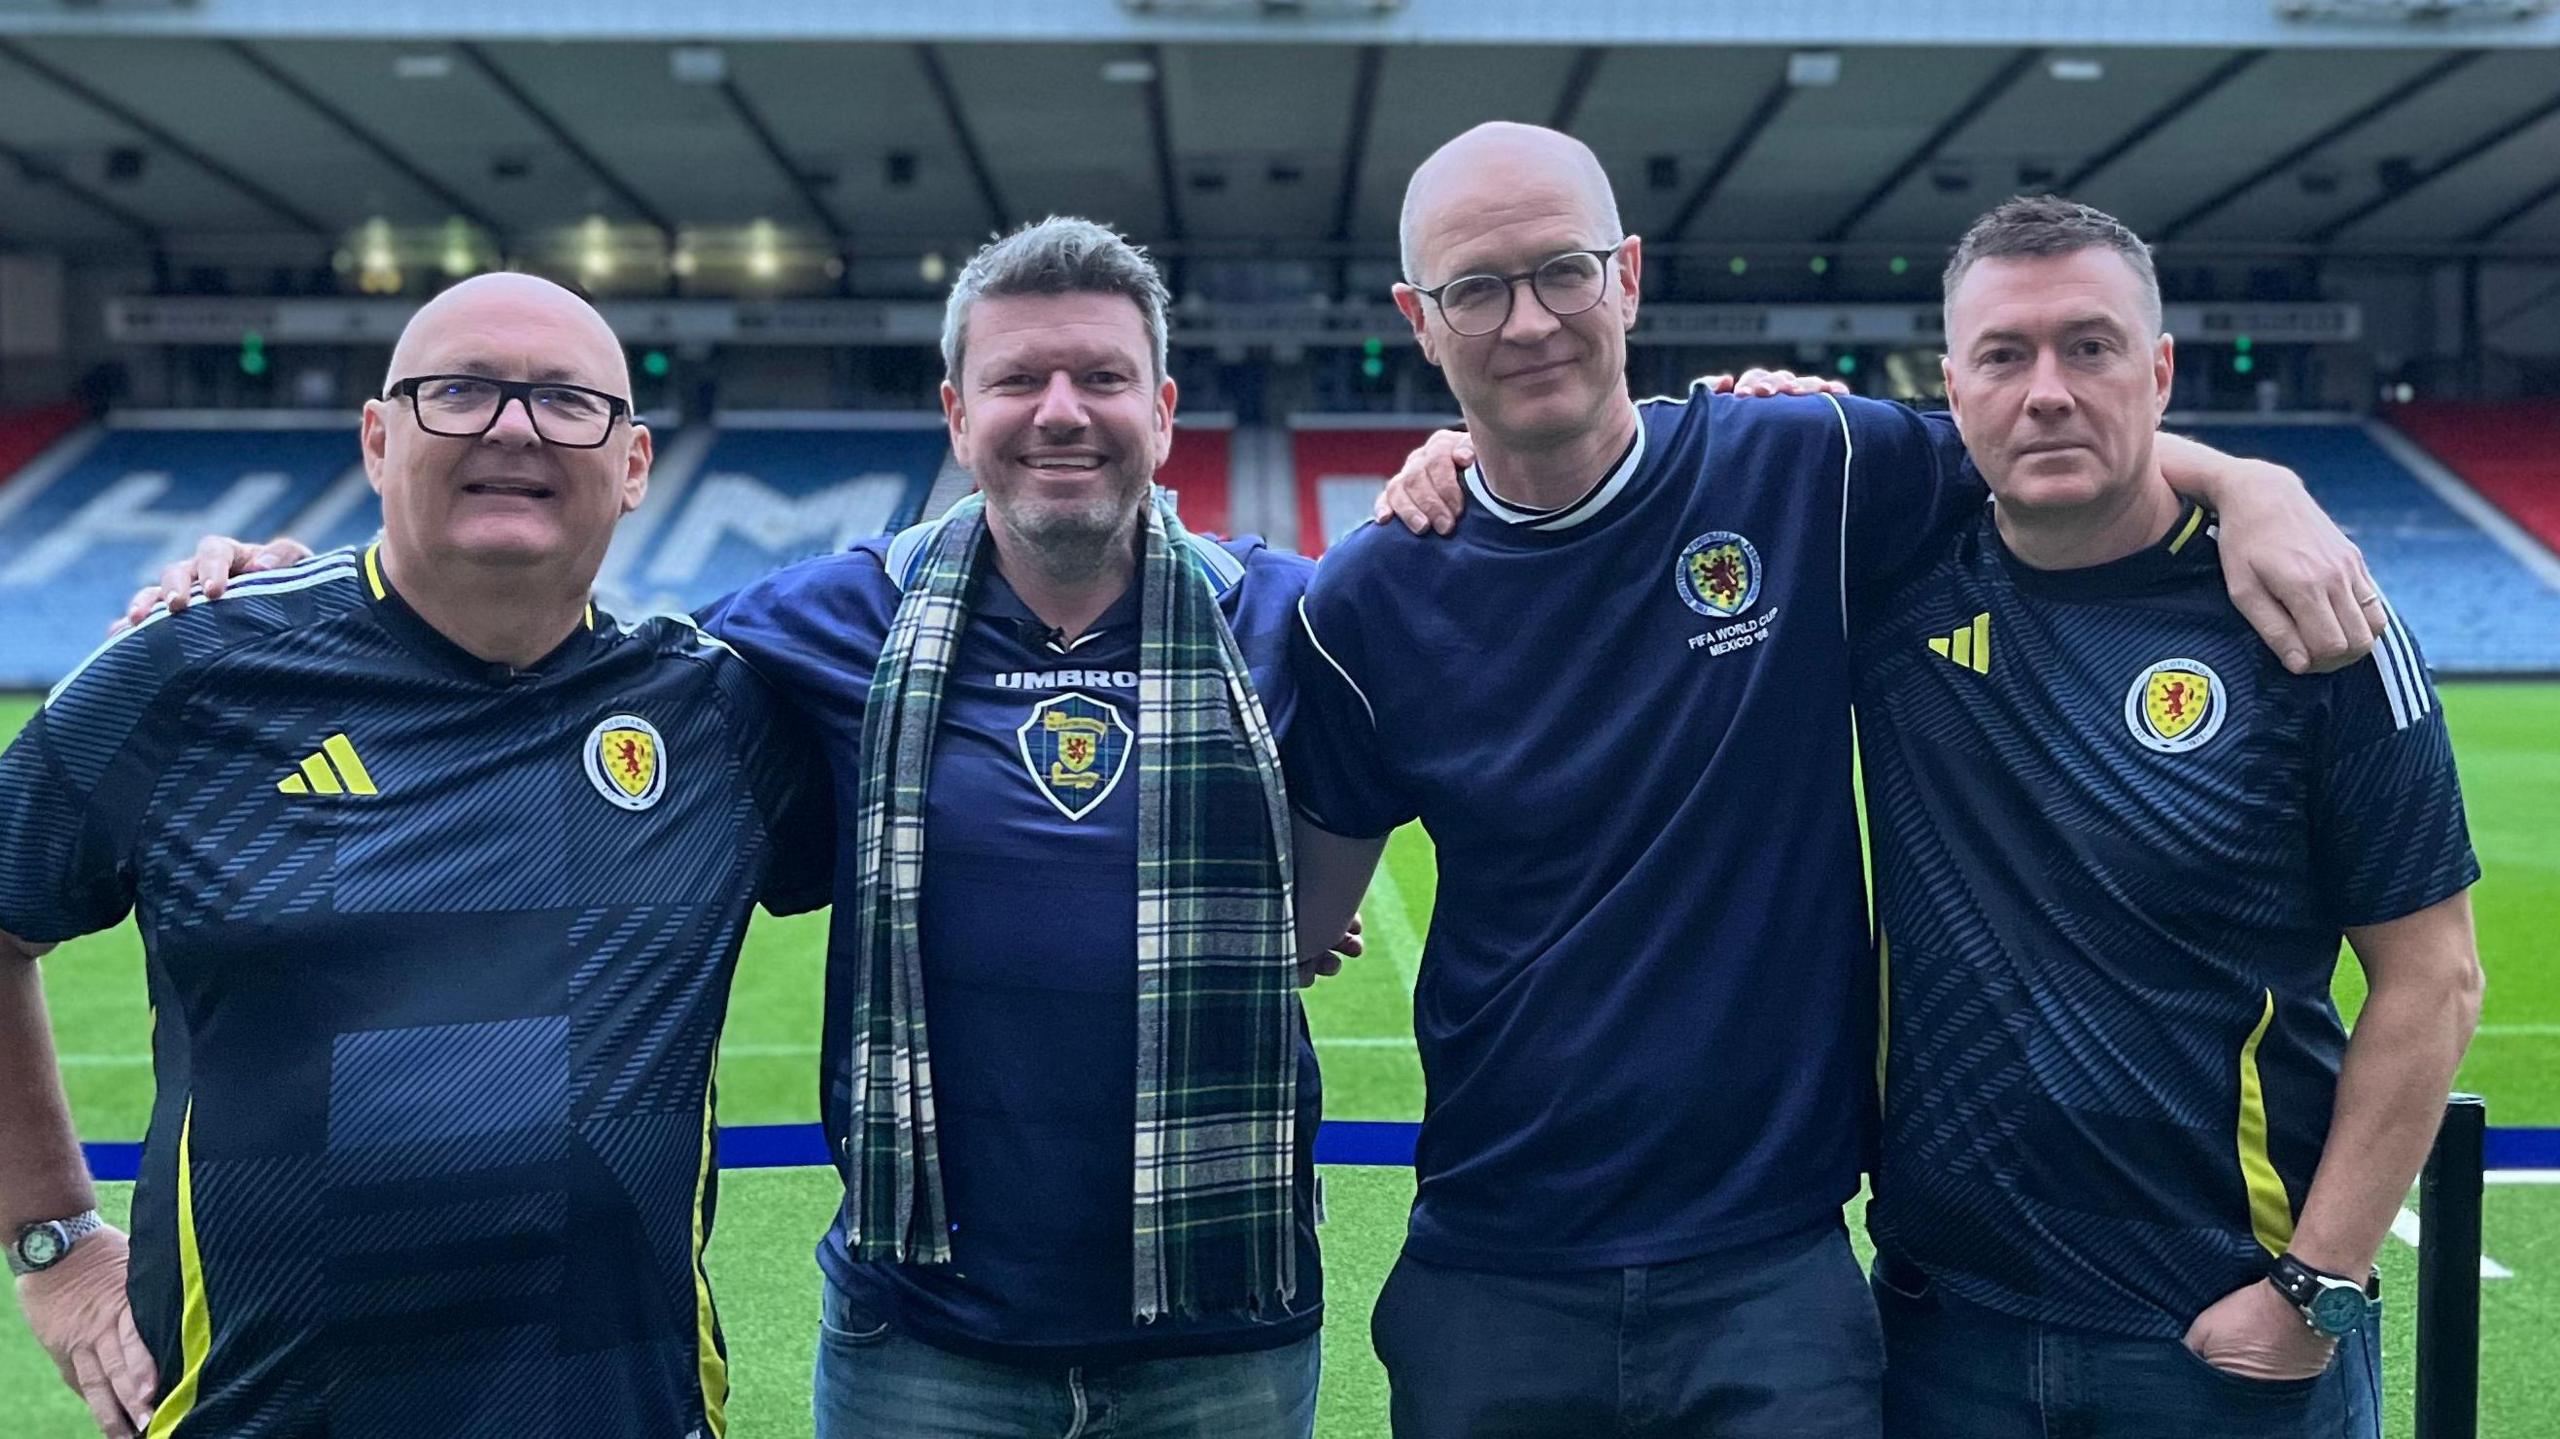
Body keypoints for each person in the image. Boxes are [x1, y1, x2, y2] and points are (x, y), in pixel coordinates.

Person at [135, 220, 1372, 1439]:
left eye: (1100, 377)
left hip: (1229, 1325)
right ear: (956, 414)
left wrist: (1443, 484)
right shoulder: (826, 618)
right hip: (925, 1337)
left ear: (1159, 410)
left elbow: (1445, 691)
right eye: (1017, 379)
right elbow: (552, 659)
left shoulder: (1291, 616)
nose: (1060, 410)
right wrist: (300, 599)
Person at [1291, 122, 2382, 1439]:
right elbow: (1299, 915)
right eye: (1477, 288)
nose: (1529, 320)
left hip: (1773, 1272)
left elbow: (2046, 447)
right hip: (1491, 1265)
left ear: (1627, 276)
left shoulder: (1810, 464)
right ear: (1421, 317)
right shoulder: (1369, 597)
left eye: (1563, 272)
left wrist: (2251, 483)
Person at [0, 272, 832, 1438]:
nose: (511, 425)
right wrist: (50, 1240)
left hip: (617, 1407)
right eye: (461, 391)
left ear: (634, 464)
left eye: (564, 400)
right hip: (262, 1414)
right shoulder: (188, 673)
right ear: (379, 439)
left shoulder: (719, 714)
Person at [1853, 194, 2480, 1438]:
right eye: (2002, 354)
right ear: (1949, 388)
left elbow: (2433, 980)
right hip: (1941, 1330)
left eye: (2088, 347)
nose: (2045, 390)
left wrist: (2311, 1293)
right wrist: (1450, 459)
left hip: (2213, 1342)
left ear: (2159, 370)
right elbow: (1669, 463)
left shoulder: (2315, 619)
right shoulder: (1891, 572)